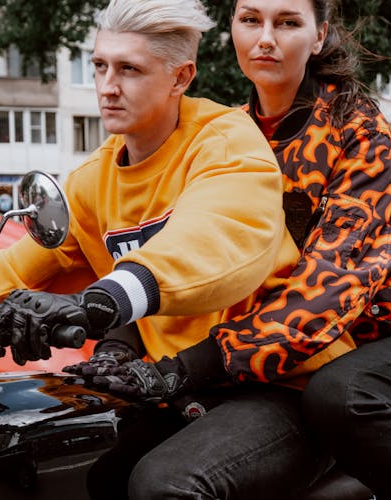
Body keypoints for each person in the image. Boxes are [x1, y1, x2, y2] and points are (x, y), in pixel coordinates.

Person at [0, 0, 347, 498]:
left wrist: (92, 304)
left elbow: (212, 240)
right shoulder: (96, 177)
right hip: (173, 385)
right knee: (42, 454)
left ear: (180, 77)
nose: (107, 87)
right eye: (99, 66)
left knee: (166, 486)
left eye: (130, 70)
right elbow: (22, 262)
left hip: (278, 383)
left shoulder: (225, 142)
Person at [70, 0, 391, 497]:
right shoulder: (225, 132)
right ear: (232, 31)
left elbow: (326, 294)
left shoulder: (363, 137)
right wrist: (121, 343)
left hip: (351, 345)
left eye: (287, 22)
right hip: (255, 355)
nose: (265, 38)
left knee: (342, 394)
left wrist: (181, 369)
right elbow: (180, 256)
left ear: (320, 35)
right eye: (250, 20)